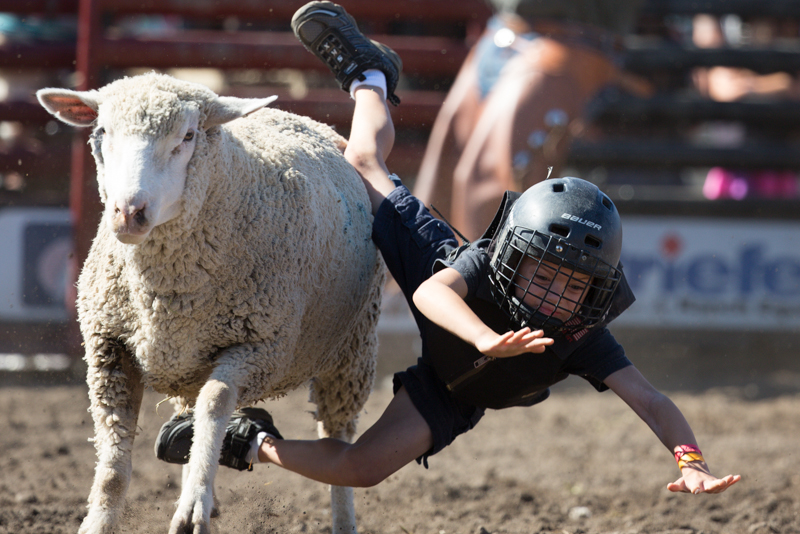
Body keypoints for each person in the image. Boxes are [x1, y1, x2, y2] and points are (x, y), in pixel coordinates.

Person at [155, 1, 740, 497]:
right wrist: (487, 338)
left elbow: (652, 401)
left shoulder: (581, 333)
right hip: (441, 277)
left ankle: (247, 441)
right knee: (359, 161)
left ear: (595, 295)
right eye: (547, 273)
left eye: (574, 285)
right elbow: (435, 290)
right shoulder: (478, 263)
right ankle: (371, 76)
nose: (558, 293)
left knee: (360, 468)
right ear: (513, 254)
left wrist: (691, 462)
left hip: (455, 391)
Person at [412, 0, 651, 240]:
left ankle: (476, 276)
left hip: (574, 38)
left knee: (487, 187)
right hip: (502, 30)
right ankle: (436, 275)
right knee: (436, 191)